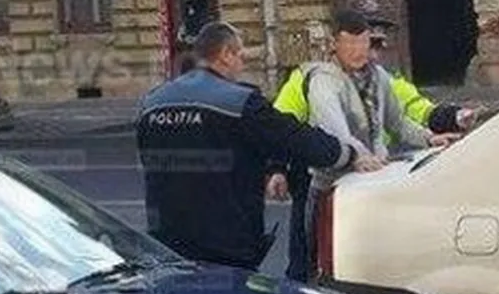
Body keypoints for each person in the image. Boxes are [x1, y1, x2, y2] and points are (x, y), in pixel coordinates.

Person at [135, 22, 384, 271]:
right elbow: (292, 137)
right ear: (226, 54)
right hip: (224, 244)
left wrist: (271, 169)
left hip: (166, 242)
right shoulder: (237, 101)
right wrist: (347, 154)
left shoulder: (153, 102)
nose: (242, 65)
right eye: (241, 56)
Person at [267, 13, 479, 280]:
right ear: (335, 44)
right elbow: (323, 129)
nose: (361, 51)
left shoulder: (380, 78)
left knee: (367, 257)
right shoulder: (319, 79)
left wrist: (429, 137)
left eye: (366, 43)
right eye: (351, 44)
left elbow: (398, 120)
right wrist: (277, 167)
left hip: (372, 177)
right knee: (312, 255)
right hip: (327, 180)